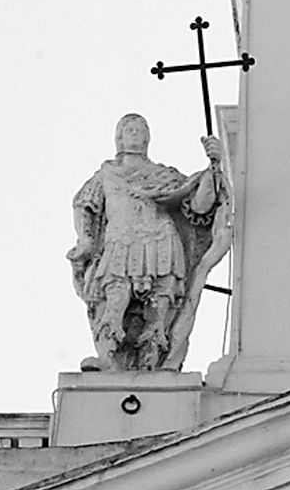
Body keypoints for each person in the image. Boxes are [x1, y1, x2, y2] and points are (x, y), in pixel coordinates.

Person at [67, 114, 227, 371]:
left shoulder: (164, 176)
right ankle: (108, 359)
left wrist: (213, 168)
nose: (134, 133)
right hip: (120, 242)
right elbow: (84, 204)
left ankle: (152, 363)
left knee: (159, 305)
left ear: (148, 137)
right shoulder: (106, 175)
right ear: (118, 137)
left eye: (140, 129)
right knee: (115, 299)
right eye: (128, 129)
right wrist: (86, 239)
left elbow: (200, 206)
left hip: (161, 241)